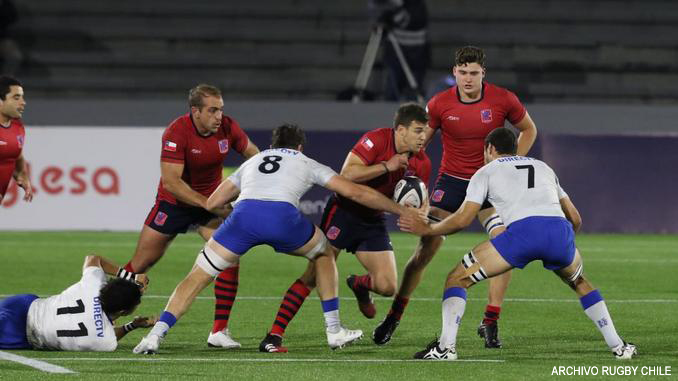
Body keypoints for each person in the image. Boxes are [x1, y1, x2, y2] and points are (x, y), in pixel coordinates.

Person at [132, 124, 419, 354]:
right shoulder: (307, 162)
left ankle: (155, 336)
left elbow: (211, 203)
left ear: (271, 146)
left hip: (242, 219)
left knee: (196, 277)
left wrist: (237, 213)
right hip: (283, 220)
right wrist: (397, 209)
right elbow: (355, 192)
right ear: (299, 147)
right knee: (322, 254)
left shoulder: (253, 161)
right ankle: (334, 330)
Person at [399, 128, 636, 360]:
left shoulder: (486, 172)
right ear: (515, 148)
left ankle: (445, 348)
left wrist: (429, 229)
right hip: (560, 232)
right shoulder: (543, 167)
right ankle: (618, 346)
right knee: (579, 282)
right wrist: (564, 243)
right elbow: (575, 218)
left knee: (457, 278)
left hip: (523, 234)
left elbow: (462, 219)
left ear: (490, 149)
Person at [373, 46, 538, 348]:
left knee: (506, 249)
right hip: (452, 184)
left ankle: (490, 321)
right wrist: (417, 185)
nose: (468, 79)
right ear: (454, 73)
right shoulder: (439, 104)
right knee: (425, 250)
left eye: (474, 73)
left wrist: (507, 163)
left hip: (490, 186)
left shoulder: (503, 99)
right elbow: (420, 146)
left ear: (483, 73)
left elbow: (529, 130)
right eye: (462, 72)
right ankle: (394, 316)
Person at [258, 103, 431, 353]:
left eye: (425, 131)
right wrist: (386, 166)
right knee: (313, 275)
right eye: (418, 131)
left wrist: (421, 212)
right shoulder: (376, 140)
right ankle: (274, 334)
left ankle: (359, 284)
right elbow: (346, 174)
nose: (423, 136)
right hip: (344, 213)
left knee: (387, 286)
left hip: (373, 220)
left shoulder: (422, 162)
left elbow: (421, 198)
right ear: (401, 130)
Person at [121, 84, 259, 350]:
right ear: (195, 111)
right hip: (174, 204)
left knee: (230, 255)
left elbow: (254, 156)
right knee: (139, 265)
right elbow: (172, 183)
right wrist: (207, 202)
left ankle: (219, 331)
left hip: (210, 204)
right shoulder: (176, 132)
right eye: (213, 110)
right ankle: (103, 312)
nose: (219, 116)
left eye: (221, 109)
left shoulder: (228, 127)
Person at [0, 255, 155, 351]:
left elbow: (93, 258)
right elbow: (109, 334)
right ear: (123, 311)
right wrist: (131, 326)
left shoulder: (93, 285)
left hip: (25, 305)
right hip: (22, 334)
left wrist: (130, 276)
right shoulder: (107, 342)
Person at [369, 0, 430, 101]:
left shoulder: (416, 6)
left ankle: (412, 113)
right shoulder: (392, 7)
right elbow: (383, 22)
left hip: (416, 55)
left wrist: (396, 7)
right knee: (392, 89)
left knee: (413, 91)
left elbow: (407, 21)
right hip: (395, 55)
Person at [0, 75, 32, 204]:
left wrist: (22, 175)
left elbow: (16, 156)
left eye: (22, 97)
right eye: (16, 97)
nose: (23, 102)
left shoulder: (18, 127)